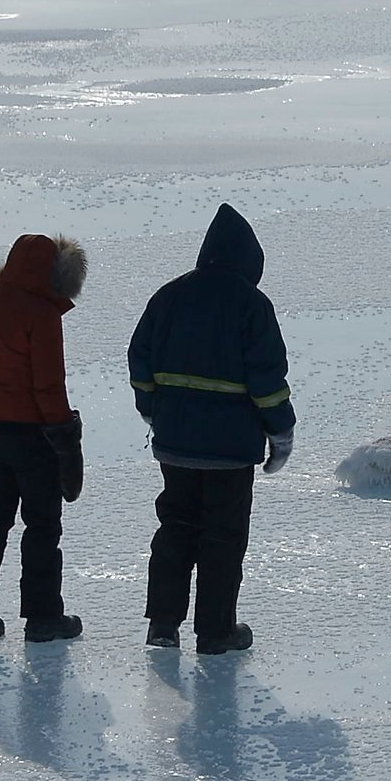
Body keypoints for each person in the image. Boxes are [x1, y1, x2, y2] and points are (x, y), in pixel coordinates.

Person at [128, 203, 294, 655]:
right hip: (230, 450)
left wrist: (151, 409)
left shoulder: (169, 295)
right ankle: (216, 632)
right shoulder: (252, 305)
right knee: (223, 539)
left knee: (175, 530)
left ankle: (163, 625)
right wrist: (281, 433)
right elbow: (266, 380)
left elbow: (139, 359)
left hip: (176, 444)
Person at [0, 234, 88, 641]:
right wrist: (65, 435)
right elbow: (48, 386)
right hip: (32, 436)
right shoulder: (42, 315)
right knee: (42, 524)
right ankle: (44, 616)